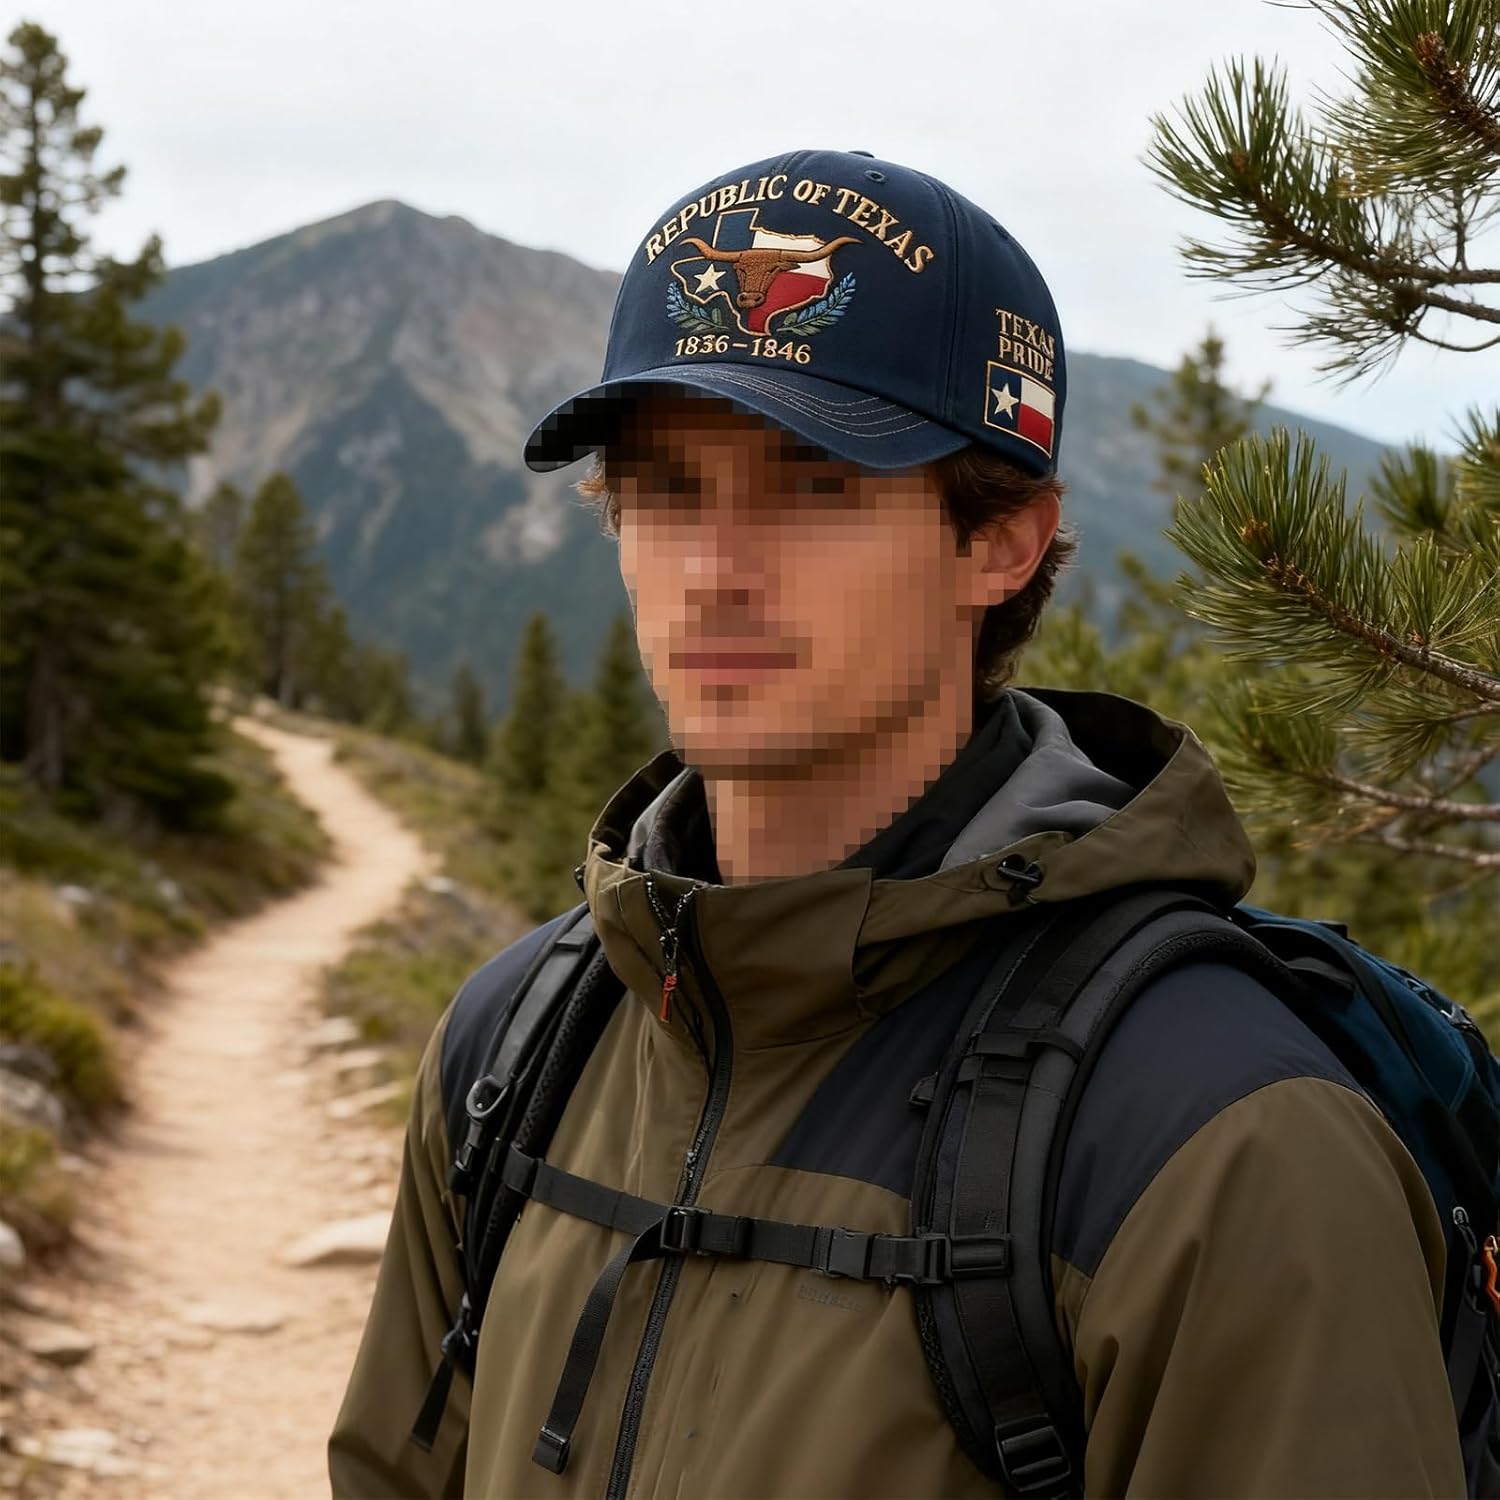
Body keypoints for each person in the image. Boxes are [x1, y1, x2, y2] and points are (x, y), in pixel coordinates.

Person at [328, 149, 1463, 1497]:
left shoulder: (1214, 1136)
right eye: (667, 491)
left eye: (814, 486)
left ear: (1002, 542)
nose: (714, 573)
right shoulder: (516, 1044)